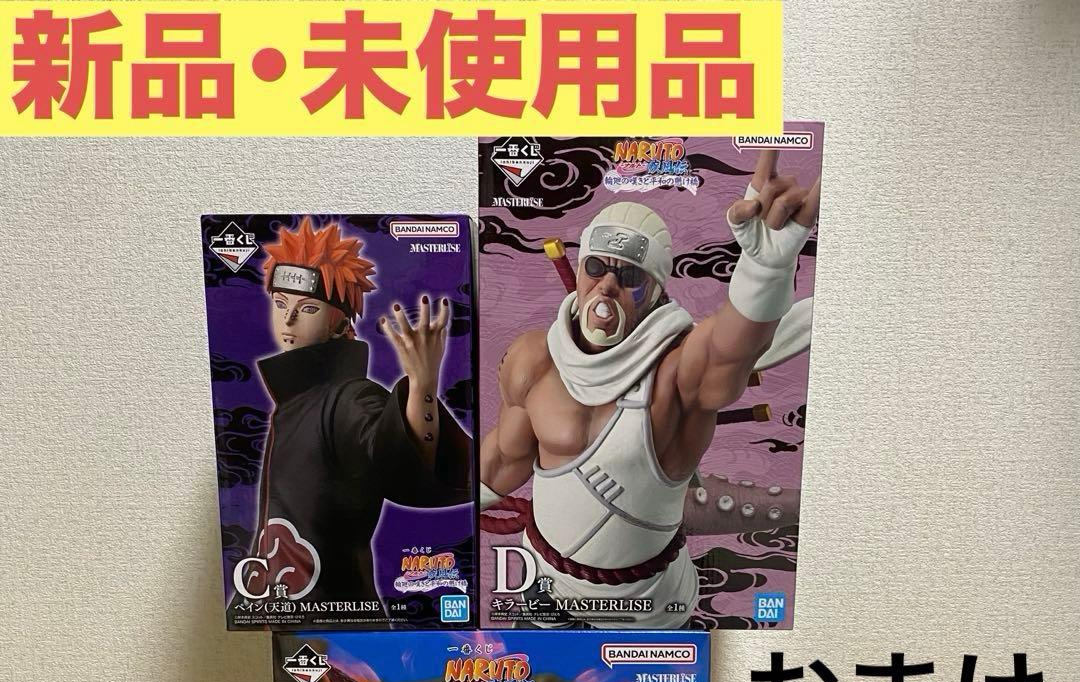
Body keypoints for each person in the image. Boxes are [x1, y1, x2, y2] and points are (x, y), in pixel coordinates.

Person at [480, 149, 819, 628]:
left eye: (630, 276)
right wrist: (430, 515)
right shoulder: (534, 358)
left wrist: (762, 272)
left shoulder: (675, 374)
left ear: (657, 292)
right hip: (542, 586)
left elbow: (729, 348)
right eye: (596, 268)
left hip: (645, 607)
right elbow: (502, 460)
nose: (607, 286)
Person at [232, 217, 471, 619]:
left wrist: (422, 386)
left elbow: (394, 461)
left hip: (337, 614)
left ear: (340, 321)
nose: (288, 320)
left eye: (308, 308)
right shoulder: (295, 400)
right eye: (281, 303)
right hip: (282, 604)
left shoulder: (349, 397)